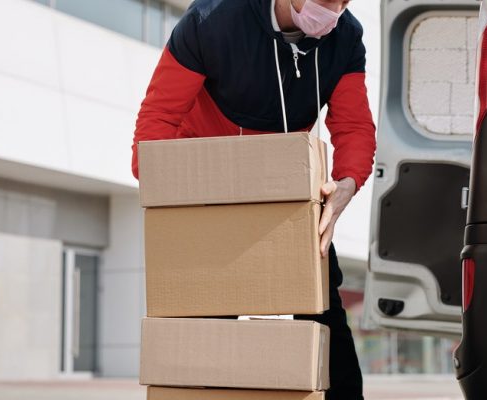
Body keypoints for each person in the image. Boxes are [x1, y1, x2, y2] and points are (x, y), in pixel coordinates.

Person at [132, 0, 375, 398]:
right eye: (327, 1)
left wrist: (348, 181)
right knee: (204, 325)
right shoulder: (211, 20)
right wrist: (167, 197)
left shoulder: (346, 37)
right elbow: (158, 117)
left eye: (345, 0)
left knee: (325, 313)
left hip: (287, 193)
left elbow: (353, 124)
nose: (336, 10)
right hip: (206, 191)